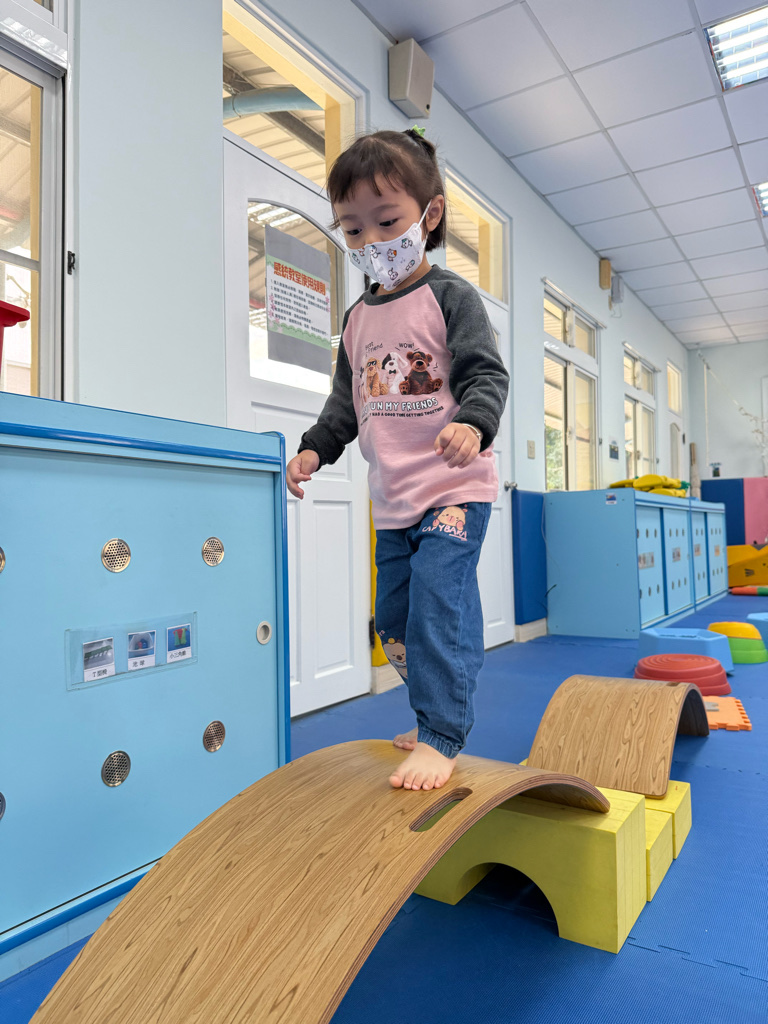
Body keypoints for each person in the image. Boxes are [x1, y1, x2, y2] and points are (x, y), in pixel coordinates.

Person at [286, 127, 509, 792]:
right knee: (394, 623)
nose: (372, 241)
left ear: (428, 215)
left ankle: (443, 731)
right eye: (353, 229)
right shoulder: (356, 320)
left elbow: (485, 373)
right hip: (393, 500)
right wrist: (314, 448)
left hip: (454, 488)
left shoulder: (451, 298)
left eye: (387, 222)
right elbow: (345, 403)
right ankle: (432, 707)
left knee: (437, 604)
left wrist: (473, 423)